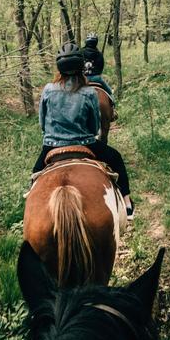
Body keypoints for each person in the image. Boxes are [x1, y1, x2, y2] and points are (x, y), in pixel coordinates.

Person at [30, 42, 134, 218]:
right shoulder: (89, 92)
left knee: (34, 177)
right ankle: (127, 204)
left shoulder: (48, 90)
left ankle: (30, 207)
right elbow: (95, 127)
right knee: (116, 158)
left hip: (52, 146)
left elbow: (42, 123)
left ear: (59, 67)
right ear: (80, 67)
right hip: (85, 144)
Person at [82, 32, 114, 101]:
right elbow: (100, 68)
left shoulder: (81, 52)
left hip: (82, 79)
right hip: (96, 78)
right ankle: (113, 101)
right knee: (110, 91)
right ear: (96, 42)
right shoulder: (99, 54)